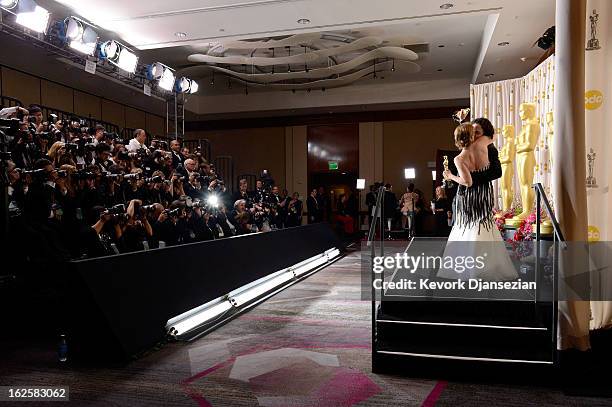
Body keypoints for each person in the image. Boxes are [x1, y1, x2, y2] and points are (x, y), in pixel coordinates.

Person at [440, 123, 517, 281]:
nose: (476, 135)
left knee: (465, 227)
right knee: (484, 226)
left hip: (468, 196)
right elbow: (492, 140)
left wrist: (450, 177)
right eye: (473, 133)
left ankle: (468, 269)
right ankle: (491, 266)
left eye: (478, 132)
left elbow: (467, 182)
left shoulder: (460, 158)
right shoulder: (485, 147)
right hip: (484, 194)